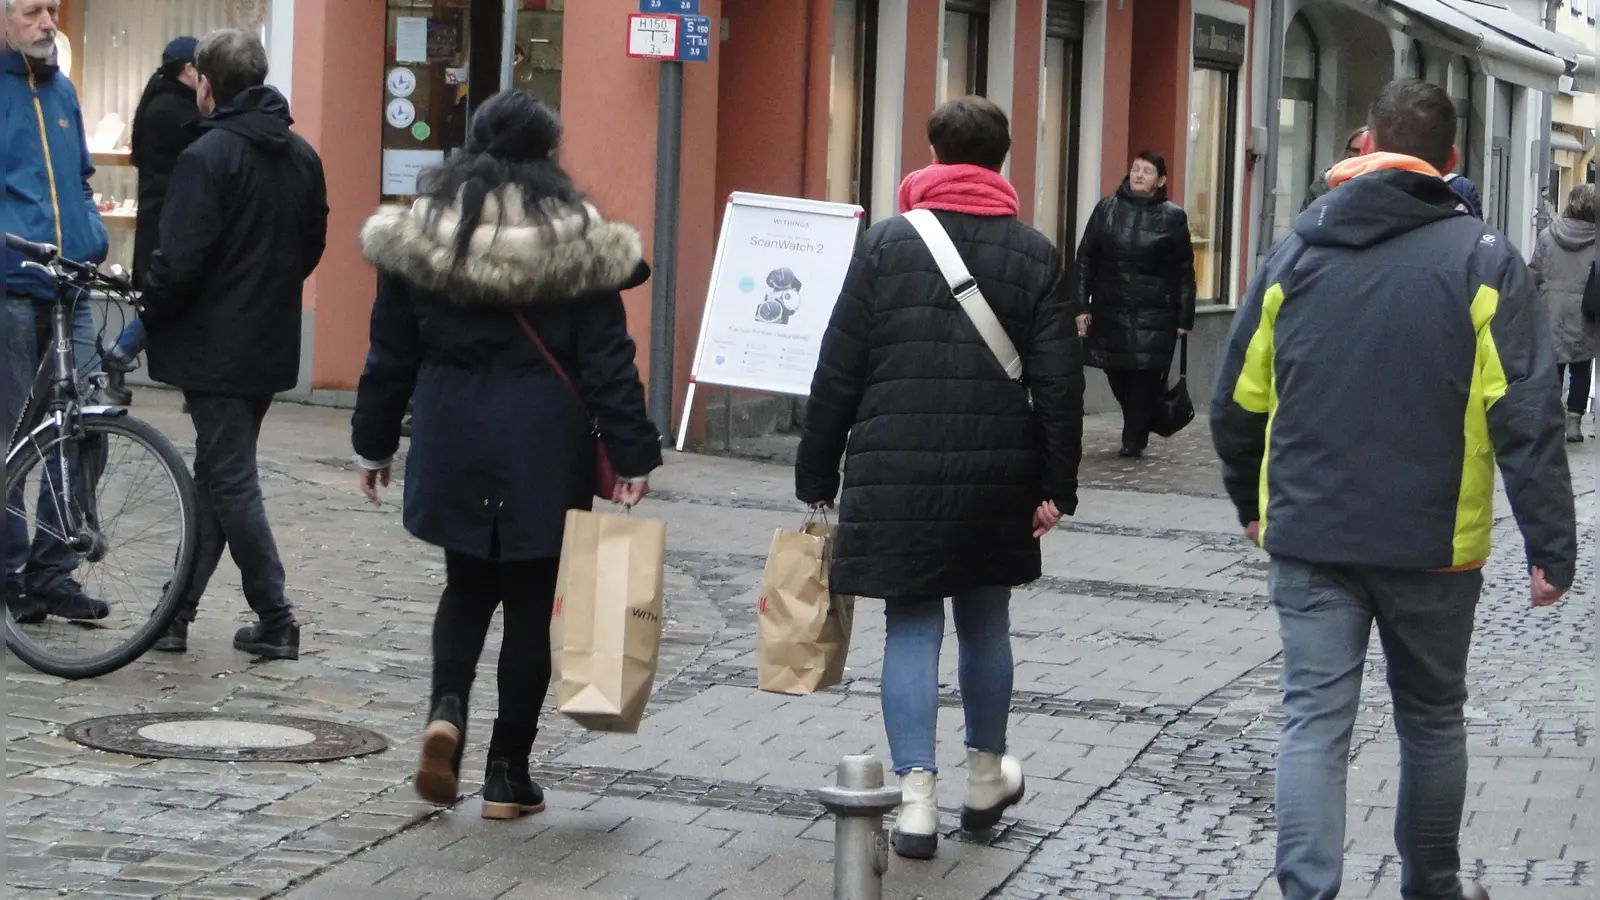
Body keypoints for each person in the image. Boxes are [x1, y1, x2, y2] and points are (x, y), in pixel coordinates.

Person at [1212, 78, 1576, 900]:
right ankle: (1433, 887)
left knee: (1312, 720)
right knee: (1432, 720)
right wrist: (1551, 546)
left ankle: (1307, 890)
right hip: (1433, 546)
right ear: (1449, 162)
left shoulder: (1294, 254)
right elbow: (1525, 415)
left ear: (1366, 145)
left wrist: (1250, 501)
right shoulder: (1482, 261)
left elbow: (1239, 400)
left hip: (1309, 535)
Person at [351, 89, 660, 818]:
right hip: (543, 440)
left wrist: (372, 441)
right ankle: (507, 775)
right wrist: (633, 454)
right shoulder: (576, 239)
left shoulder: (423, 234)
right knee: (529, 599)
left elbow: (389, 351)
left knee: (465, 585)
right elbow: (608, 360)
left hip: (451, 428)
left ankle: (446, 713)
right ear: (548, 153)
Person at [795, 97, 1084, 860]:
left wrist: (816, 468)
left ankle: (916, 800)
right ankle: (986, 775)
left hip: (896, 469)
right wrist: (1058, 484)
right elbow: (1060, 383)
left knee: (912, 623)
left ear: (931, 153)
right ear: (1003, 159)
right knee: (985, 618)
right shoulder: (1034, 253)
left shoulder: (885, 245)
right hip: (999, 471)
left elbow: (839, 367)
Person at [138, 29, 328, 658]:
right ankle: (175, 612)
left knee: (230, 478)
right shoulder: (300, 154)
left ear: (207, 87)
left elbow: (180, 260)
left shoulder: (208, 156)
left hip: (217, 346)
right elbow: (311, 247)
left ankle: (275, 614)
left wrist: (142, 321)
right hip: (267, 339)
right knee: (217, 477)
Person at [3, 0, 112, 624]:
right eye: (32, 11)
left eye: (51, 9)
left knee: (82, 428)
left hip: (70, 285)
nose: (48, 22)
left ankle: (52, 570)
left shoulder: (62, 91)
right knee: (12, 438)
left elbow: (82, 180)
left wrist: (91, 233)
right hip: (11, 286)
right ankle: (10, 573)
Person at [101, 34, 205, 406]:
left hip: (160, 220)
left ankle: (125, 354)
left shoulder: (161, 103)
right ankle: (119, 351)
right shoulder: (174, 111)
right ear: (189, 70)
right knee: (168, 300)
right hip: (167, 223)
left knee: (171, 302)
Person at [1074, 151, 1197, 458]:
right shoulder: (1107, 209)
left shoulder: (1173, 216)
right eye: (1136, 169)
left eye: (1147, 171)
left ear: (1161, 180)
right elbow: (1085, 258)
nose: (1140, 175)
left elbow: (1184, 271)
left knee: (1143, 376)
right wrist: (1080, 305)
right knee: (1116, 372)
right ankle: (1143, 421)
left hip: (1156, 312)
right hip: (1110, 308)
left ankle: (1133, 438)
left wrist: (1185, 317)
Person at [1529, 183, 1597, 443]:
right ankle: (1574, 423)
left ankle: (1550, 418)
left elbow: (1535, 271)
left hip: (1552, 308)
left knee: (1553, 364)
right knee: (1581, 366)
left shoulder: (1548, 235)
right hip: (1586, 311)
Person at [1300, 126, 1368, 212]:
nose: (1361, 155)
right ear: (1348, 152)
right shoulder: (1323, 184)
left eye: (1367, 150)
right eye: (1356, 150)